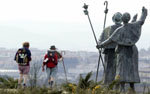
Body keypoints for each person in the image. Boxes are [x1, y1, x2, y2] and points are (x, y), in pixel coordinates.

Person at [98, 7, 148, 92]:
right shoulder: (133, 26)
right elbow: (141, 21)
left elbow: (110, 39)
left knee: (122, 70)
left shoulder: (119, 30)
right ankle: (132, 89)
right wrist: (144, 12)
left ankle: (121, 90)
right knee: (131, 70)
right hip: (132, 51)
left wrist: (100, 45)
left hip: (123, 51)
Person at [97, 12, 122, 85]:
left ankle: (108, 84)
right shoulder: (124, 29)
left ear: (113, 19)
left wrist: (99, 45)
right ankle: (115, 85)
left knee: (108, 69)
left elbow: (100, 40)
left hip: (109, 52)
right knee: (118, 70)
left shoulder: (107, 29)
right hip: (120, 52)